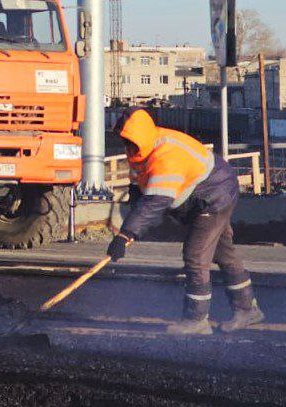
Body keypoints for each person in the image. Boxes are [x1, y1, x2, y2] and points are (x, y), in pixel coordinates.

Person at [107, 108, 261, 335]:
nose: (127, 147)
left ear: (141, 136)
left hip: (213, 196)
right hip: (213, 189)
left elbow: (155, 202)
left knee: (196, 255)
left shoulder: (166, 155)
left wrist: (125, 234)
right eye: (124, 141)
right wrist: (134, 213)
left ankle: (196, 320)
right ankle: (247, 310)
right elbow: (144, 191)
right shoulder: (145, 149)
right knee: (223, 253)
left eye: (130, 141)